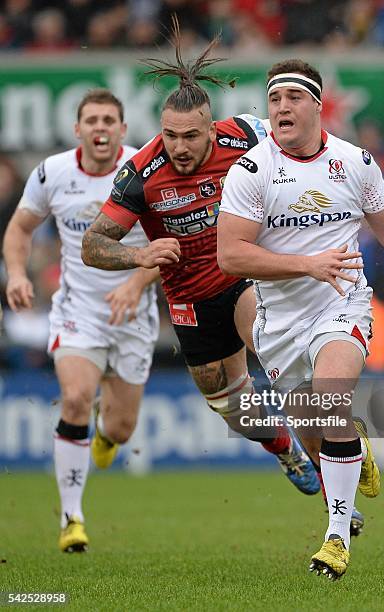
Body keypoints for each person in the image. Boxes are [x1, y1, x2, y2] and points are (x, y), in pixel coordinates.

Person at [217, 59, 384, 579]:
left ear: (317, 105)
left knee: (331, 396)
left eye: (293, 98)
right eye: (274, 99)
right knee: (319, 428)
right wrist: (305, 264)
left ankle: (336, 539)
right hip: (278, 320)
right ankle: (352, 445)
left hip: (342, 302)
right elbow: (230, 256)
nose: (281, 107)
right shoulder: (251, 169)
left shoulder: (356, 162)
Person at [81, 25, 322, 499]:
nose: (180, 147)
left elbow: (305, 155)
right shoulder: (141, 175)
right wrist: (139, 254)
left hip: (242, 276)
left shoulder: (247, 137)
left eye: (191, 136)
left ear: (212, 128)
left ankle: (339, 455)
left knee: (275, 352)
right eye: (170, 135)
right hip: (188, 298)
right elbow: (93, 245)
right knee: (230, 406)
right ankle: (285, 449)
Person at [3, 88, 165, 553]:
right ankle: (72, 518)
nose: (100, 128)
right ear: (78, 129)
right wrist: (16, 273)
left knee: (120, 429)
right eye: (91, 120)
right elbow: (19, 228)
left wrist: (135, 285)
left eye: (108, 120)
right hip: (77, 312)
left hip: (132, 314)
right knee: (73, 398)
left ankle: (105, 430)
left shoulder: (144, 171)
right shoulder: (51, 172)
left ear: (121, 129)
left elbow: (172, 245)